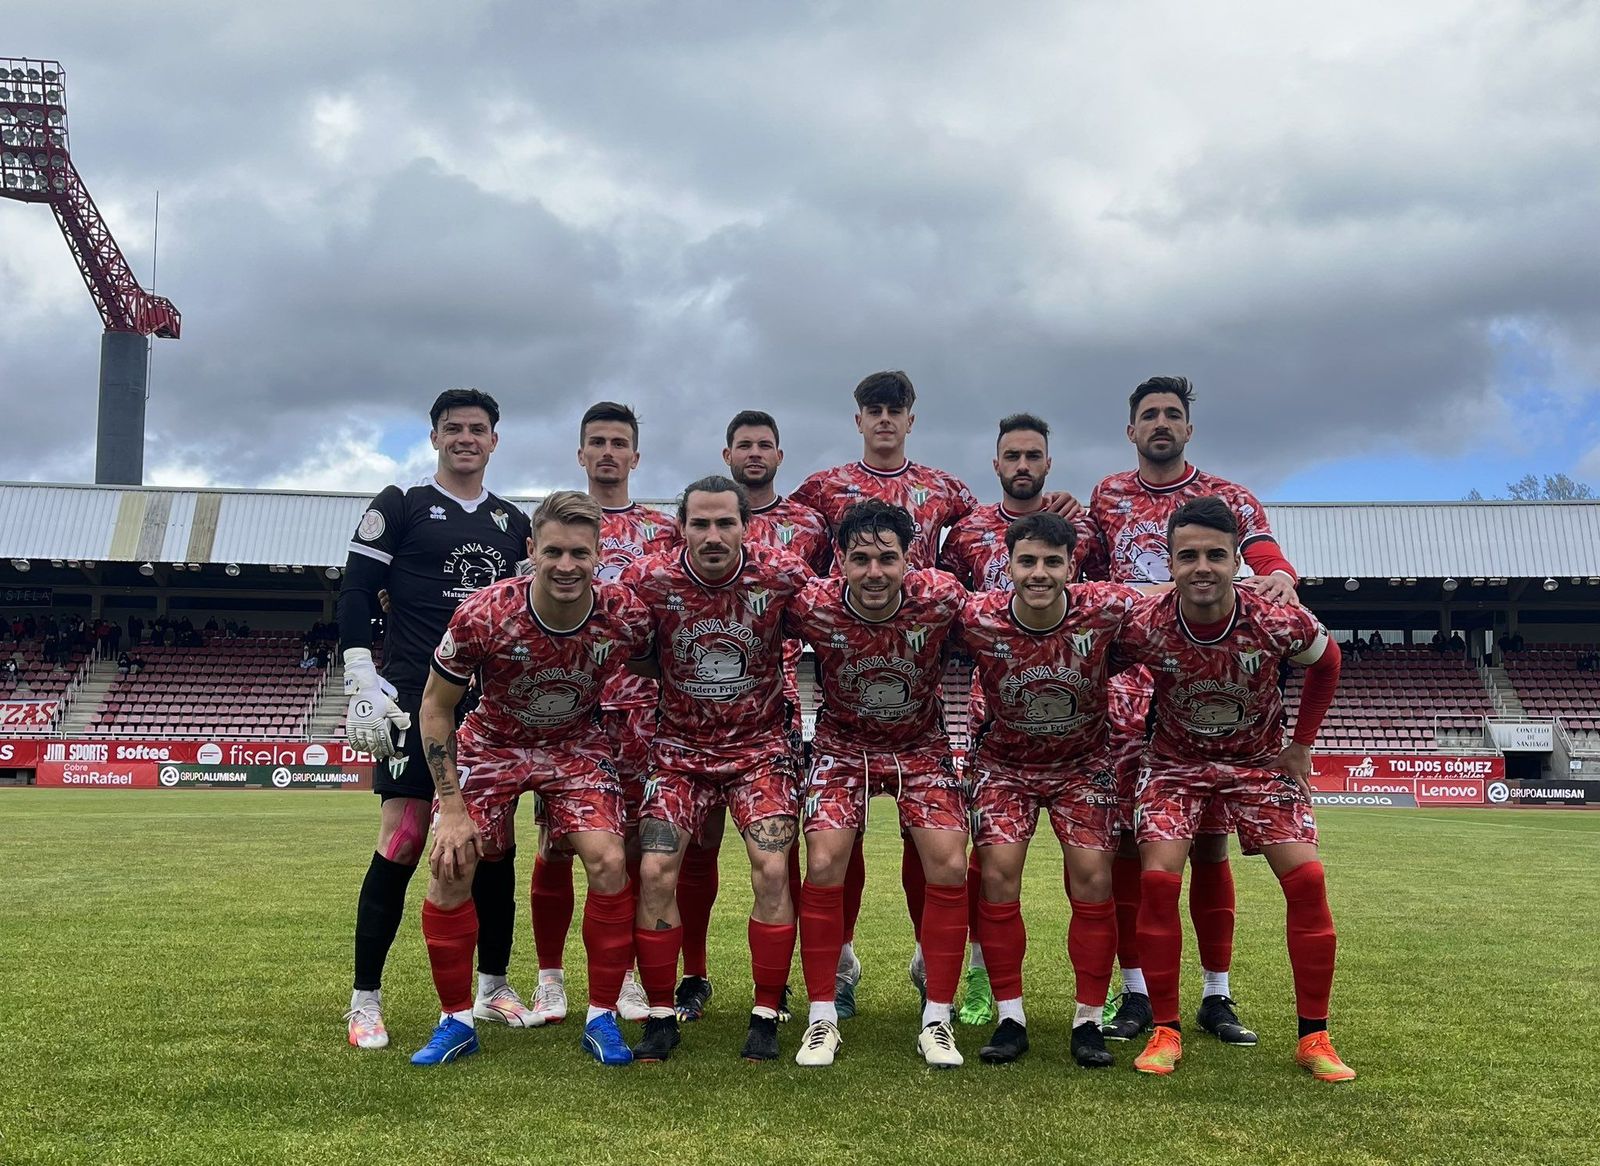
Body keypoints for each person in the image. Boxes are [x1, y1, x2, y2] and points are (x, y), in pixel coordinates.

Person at [1084, 376, 1300, 1049]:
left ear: (1188, 428)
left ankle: (1216, 993)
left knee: (1208, 841)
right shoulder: (1107, 495)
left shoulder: (1228, 497)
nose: (1160, 424)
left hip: (1202, 685)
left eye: (1172, 414)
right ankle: (1138, 993)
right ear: (1131, 430)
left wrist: (1278, 574)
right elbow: (1083, 572)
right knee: (1129, 842)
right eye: (1148, 415)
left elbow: (1265, 554)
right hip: (1128, 689)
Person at [1114, 496, 1349, 1081]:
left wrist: (1302, 742)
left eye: (1216, 555)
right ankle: (1165, 1029)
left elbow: (1329, 662)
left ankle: (1314, 1037)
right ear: (1168, 563)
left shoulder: (1276, 619)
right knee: (1160, 879)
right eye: (1188, 555)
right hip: (1173, 763)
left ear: (1234, 562)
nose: (1202, 567)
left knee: (1309, 880)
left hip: (1256, 762)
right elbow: (1092, 664)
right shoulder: (1144, 623)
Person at [410, 491, 649, 1066]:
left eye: (580, 553)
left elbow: (656, 669)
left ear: (598, 557)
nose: (566, 565)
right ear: (531, 551)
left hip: (574, 744)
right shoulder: (485, 613)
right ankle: (456, 1021)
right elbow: (436, 709)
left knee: (611, 862)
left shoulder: (625, 615)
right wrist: (451, 807)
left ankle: (602, 1016)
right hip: (494, 743)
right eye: (554, 552)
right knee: (452, 861)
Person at [337, 388, 536, 1051]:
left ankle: (493, 985)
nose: (466, 438)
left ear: (494, 441)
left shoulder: (513, 523)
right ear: (434, 438)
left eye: (478, 429)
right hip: (409, 699)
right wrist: (361, 667)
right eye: (453, 428)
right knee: (405, 835)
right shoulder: (400, 505)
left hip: (490, 705)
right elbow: (357, 589)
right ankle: (365, 1000)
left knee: (493, 841)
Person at [620, 475, 812, 1063]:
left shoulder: (781, 576)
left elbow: (835, 627)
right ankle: (659, 1014)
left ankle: (766, 1011)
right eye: (699, 523)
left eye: (724, 522)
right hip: (679, 750)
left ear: (745, 525)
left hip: (759, 751)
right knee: (654, 870)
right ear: (681, 526)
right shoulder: (650, 580)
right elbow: (624, 642)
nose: (711, 535)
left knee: (772, 867)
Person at [955, 511, 1146, 1068]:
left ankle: (1088, 1020)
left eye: (1052, 562)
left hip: (1083, 766)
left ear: (1072, 567)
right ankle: (1009, 1017)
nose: (1039, 573)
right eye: (1027, 561)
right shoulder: (978, 617)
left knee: (1092, 881)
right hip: (1005, 767)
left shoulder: (1106, 611)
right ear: (1008, 565)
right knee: (997, 876)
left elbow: (1171, 625)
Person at [786, 500, 969, 1068]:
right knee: (823, 862)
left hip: (920, 746)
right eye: (860, 558)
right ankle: (822, 1016)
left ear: (908, 559)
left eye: (886, 559)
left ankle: (937, 1017)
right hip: (843, 747)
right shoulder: (814, 603)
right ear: (839, 559)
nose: (874, 572)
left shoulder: (939, 597)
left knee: (950, 864)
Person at [667, 410, 833, 1025]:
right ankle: (693, 975)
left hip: (773, 713)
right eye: (745, 445)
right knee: (692, 849)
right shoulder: (668, 565)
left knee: (776, 849)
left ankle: (778, 988)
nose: (755, 453)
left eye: (766, 445)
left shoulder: (804, 536)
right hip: (687, 728)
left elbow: (827, 612)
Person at [937, 412, 1101, 1027]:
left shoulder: (1080, 528)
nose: (1024, 465)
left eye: (1034, 455)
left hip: (1075, 733)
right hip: (995, 728)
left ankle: (1105, 994)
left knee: (1095, 871)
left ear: (1048, 464)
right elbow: (938, 608)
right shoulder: (968, 533)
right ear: (997, 462)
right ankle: (983, 981)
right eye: (1013, 455)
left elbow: (1116, 611)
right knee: (990, 868)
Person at [527, 401, 676, 1026]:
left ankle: (630, 976)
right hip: (572, 714)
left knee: (636, 844)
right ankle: (550, 978)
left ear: (636, 456)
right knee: (555, 842)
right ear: (581, 453)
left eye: (620, 442)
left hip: (640, 713)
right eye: (597, 442)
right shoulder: (553, 525)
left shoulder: (663, 533)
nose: (609, 452)